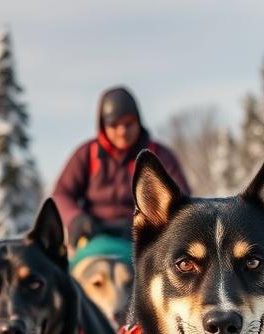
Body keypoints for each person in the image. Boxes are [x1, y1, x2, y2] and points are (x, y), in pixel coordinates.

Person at [53, 86, 191, 247]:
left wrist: (150, 224)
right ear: (103, 126)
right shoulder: (87, 154)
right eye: (114, 125)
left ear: (138, 121)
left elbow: (182, 199)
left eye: (128, 123)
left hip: (143, 240)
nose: (122, 131)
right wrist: (75, 218)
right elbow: (61, 194)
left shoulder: (158, 156)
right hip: (94, 236)